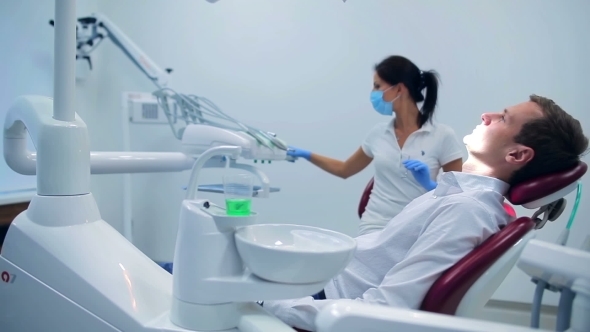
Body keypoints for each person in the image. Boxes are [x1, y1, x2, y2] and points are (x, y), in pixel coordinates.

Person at [261, 95, 589, 332]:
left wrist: (272, 303)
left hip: (322, 301)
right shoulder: (459, 198)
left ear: (517, 154)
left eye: (503, 117)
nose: (487, 114)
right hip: (320, 283)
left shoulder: (467, 210)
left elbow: (384, 310)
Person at [287, 55, 464, 236]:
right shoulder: (378, 134)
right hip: (374, 227)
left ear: (399, 89)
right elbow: (345, 169)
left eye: (377, 86)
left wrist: (429, 184)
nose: (373, 92)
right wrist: (306, 154)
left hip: (417, 229)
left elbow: (457, 194)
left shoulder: (442, 136)